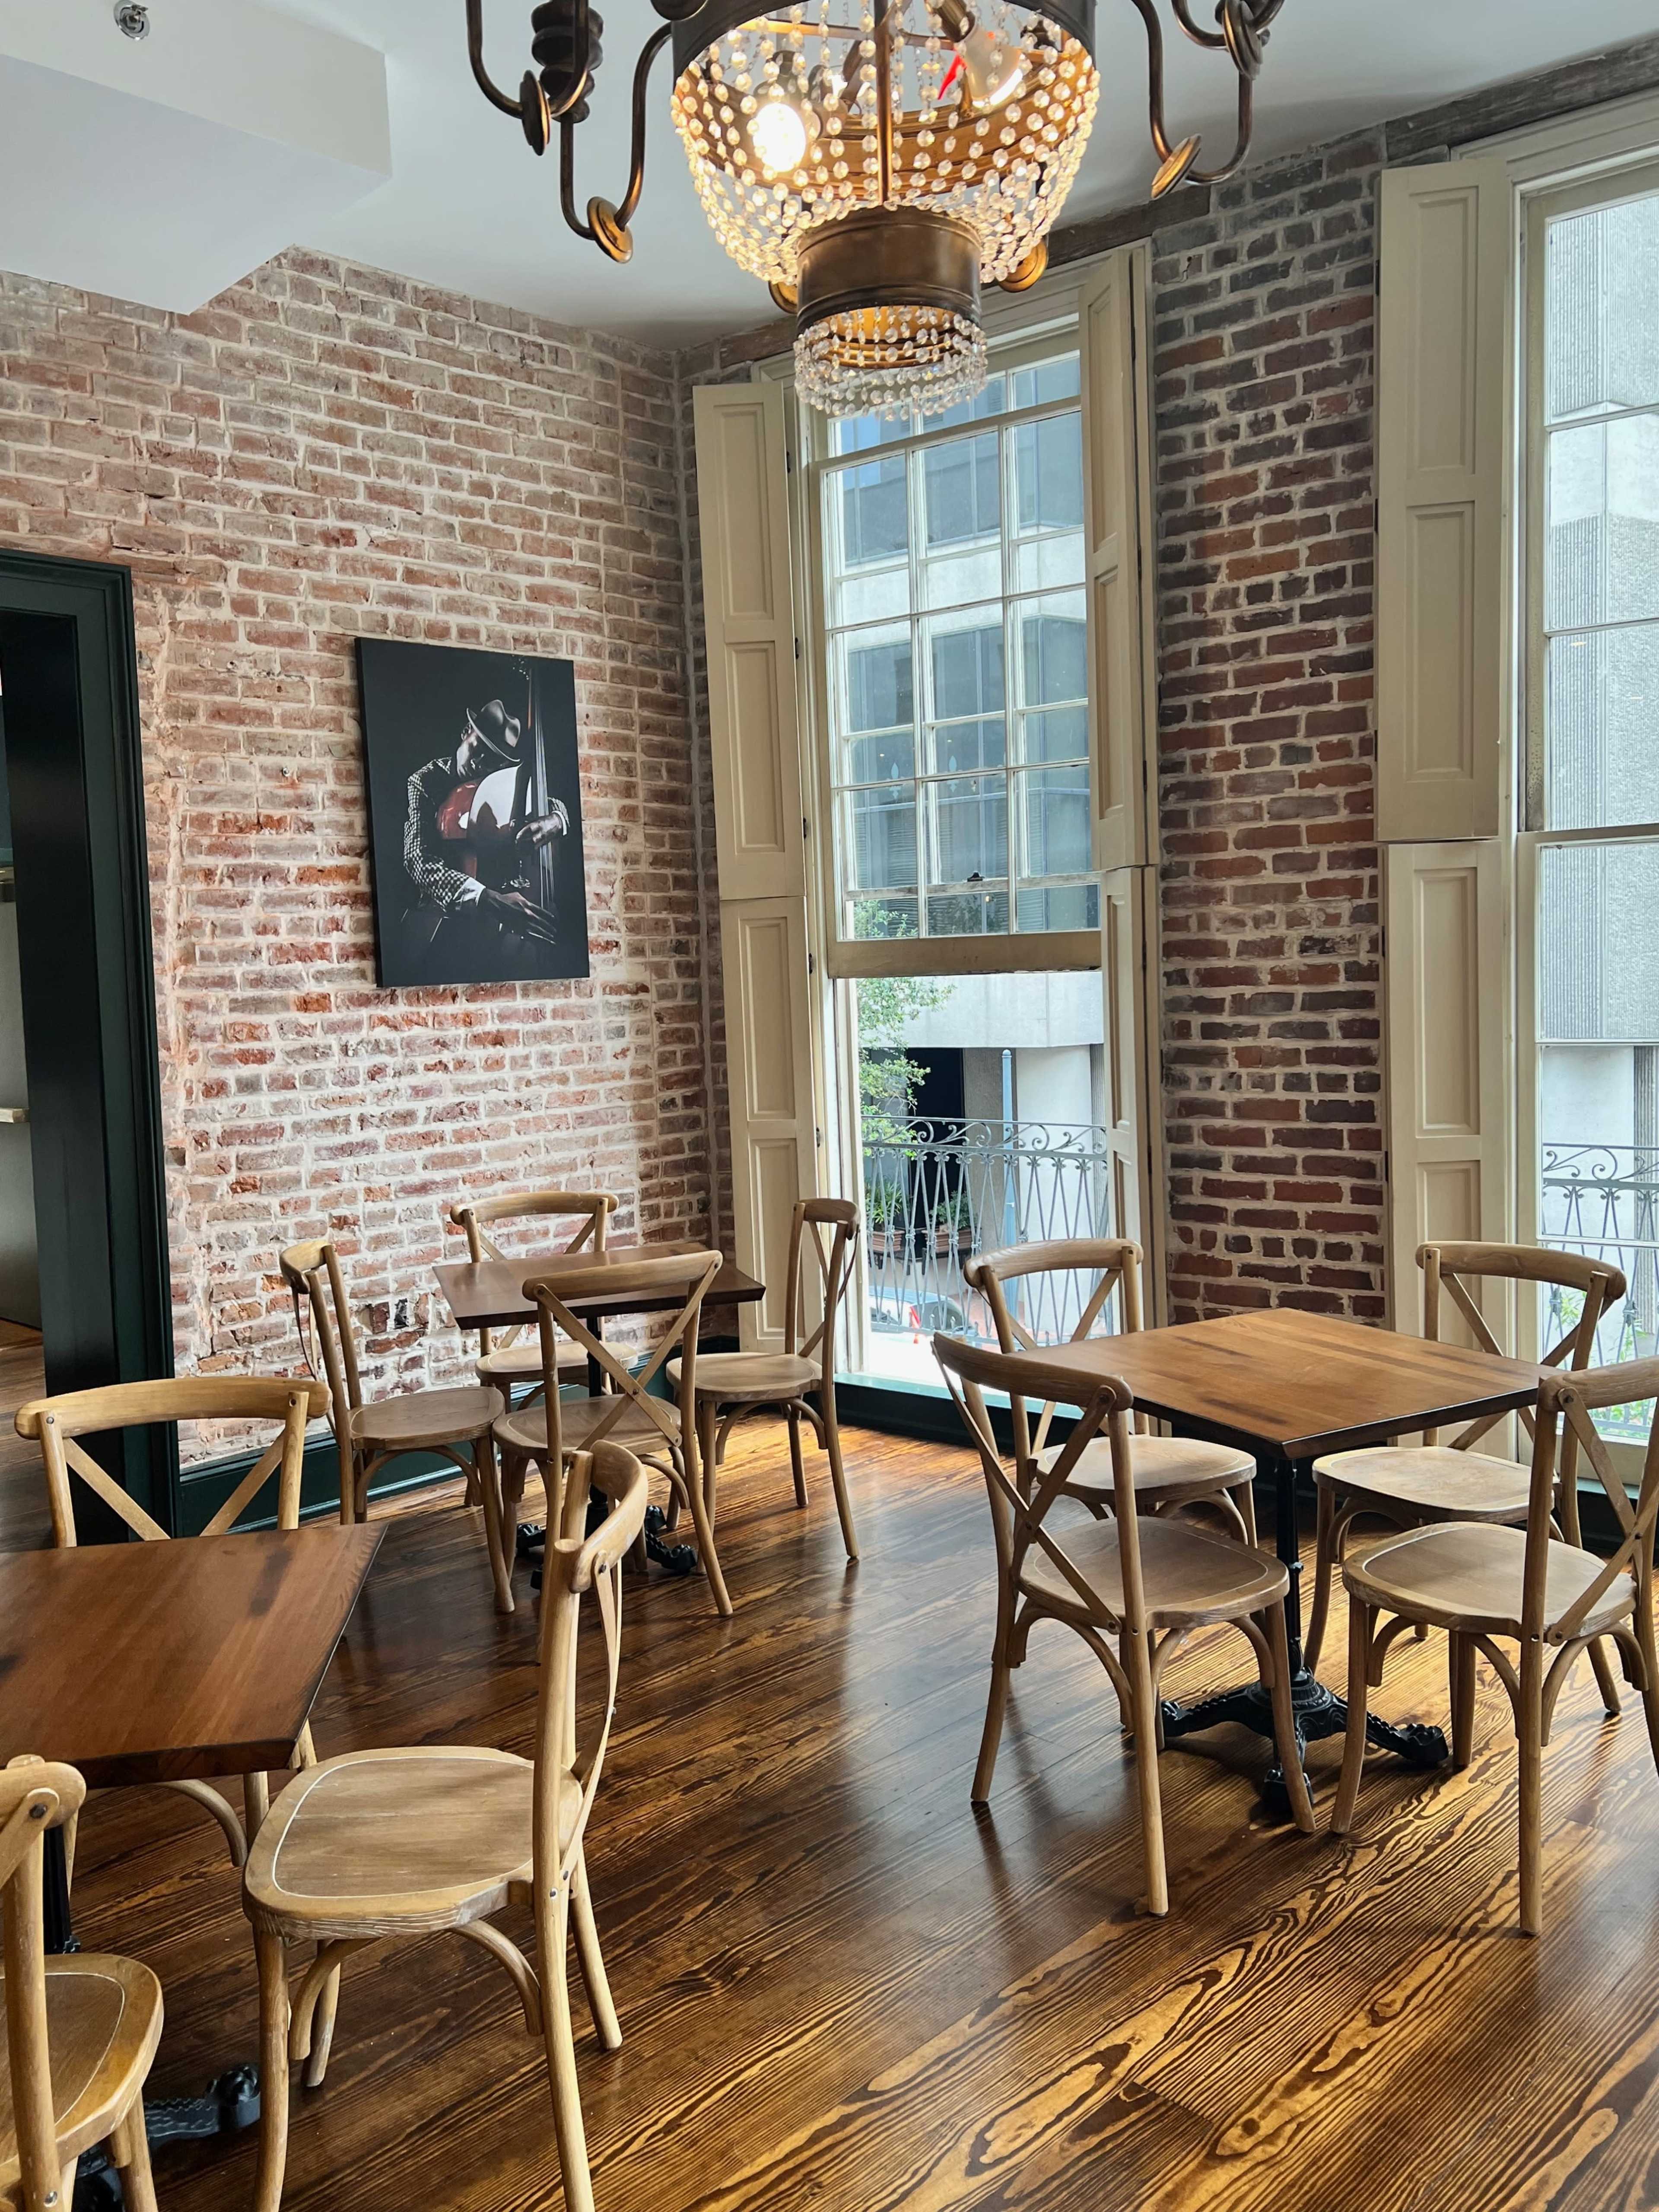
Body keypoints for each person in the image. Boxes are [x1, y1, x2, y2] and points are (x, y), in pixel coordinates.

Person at [401, 698, 569, 980]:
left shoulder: (498, 781)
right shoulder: (427, 780)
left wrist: (556, 820)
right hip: (442, 915)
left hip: (499, 920)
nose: (481, 764)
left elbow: (551, 802)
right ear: (467, 731)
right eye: (479, 749)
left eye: (494, 760)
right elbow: (418, 861)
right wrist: (486, 898)